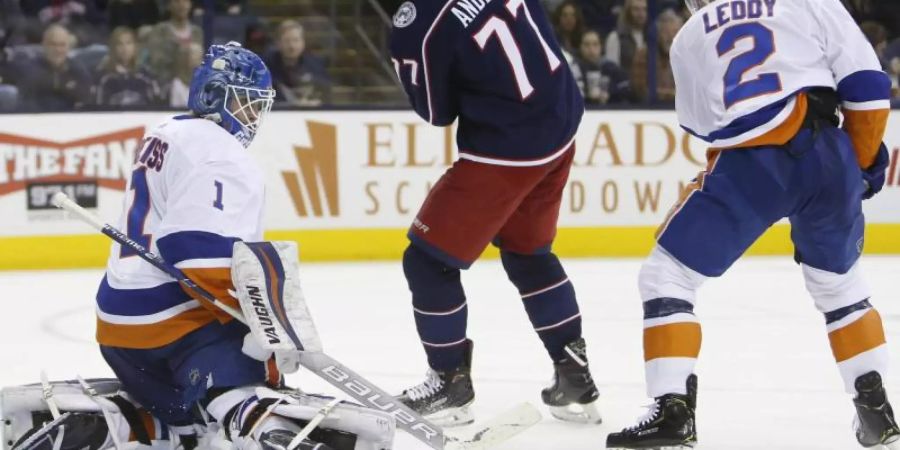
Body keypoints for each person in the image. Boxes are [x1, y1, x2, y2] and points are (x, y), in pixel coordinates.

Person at [0, 42, 396, 450]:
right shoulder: (223, 155)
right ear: (214, 97)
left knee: (190, 424)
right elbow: (193, 249)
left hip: (118, 330)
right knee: (242, 385)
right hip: (170, 328)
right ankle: (261, 426)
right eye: (246, 104)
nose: (254, 116)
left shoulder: (165, 133)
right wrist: (263, 327)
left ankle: (108, 425)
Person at [606, 0, 897, 448]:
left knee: (668, 275)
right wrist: (858, 164)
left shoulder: (689, 34)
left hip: (754, 160)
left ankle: (673, 410)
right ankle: (875, 408)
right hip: (829, 153)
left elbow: (705, 126)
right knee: (840, 287)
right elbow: (869, 85)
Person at [378, 0, 601, 427]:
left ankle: (449, 384)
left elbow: (435, 113)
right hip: (561, 123)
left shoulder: (417, 22)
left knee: (426, 262)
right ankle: (574, 373)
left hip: (508, 146)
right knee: (528, 252)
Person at [12, 23, 92, 111]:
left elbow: (85, 98)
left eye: (62, 45)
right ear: (44, 45)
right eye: (53, 44)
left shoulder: (77, 69)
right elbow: (28, 98)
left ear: (68, 47)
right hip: (35, 119)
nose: (58, 49)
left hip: (69, 119)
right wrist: (65, 85)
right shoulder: (29, 68)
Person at [265, 20, 331, 107]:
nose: (292, 46)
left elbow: (326, 91)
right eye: (287, 41)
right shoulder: (266, 66)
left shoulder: (315, 64)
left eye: (296, 40)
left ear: (303, 43)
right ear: (278, 43)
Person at [95, 26, 162, 107]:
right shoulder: (104, 78)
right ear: (113, 48)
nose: (125, 48)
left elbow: (157, 105)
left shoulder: (146, 76)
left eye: (128, 43)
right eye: (120, 44)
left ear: (135, 47)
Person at [142, 0, 203, 84]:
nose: (182, 5)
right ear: (169, 6)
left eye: (185, 1)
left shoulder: (197, 32)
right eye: (177, 1)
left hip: (192, 86)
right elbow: (157, 63)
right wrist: (184, 54)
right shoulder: (159, 31)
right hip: (167, 84)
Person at [630, 9, 682, 103]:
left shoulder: (684, 56)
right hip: (652, 109)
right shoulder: (645, 54)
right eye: (666, 32)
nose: (670, 37)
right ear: (658, 34)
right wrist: (671, 95)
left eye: (674, 32)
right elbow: (641, 90)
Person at [571, 29, 629, 105]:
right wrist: (587, 95)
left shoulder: (611, 68)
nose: (591, 49)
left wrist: (610, 94)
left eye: (595, 44)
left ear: (601, 47)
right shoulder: (574, 68)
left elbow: (625, 88)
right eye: (586, 45)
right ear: (580, 47)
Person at [605, 0, 647, 72]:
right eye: (636, 9)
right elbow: (612, 70)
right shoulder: (615, 37)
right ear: (627, 12)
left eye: (644, 9)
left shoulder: (652, 37)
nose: (641, 14)